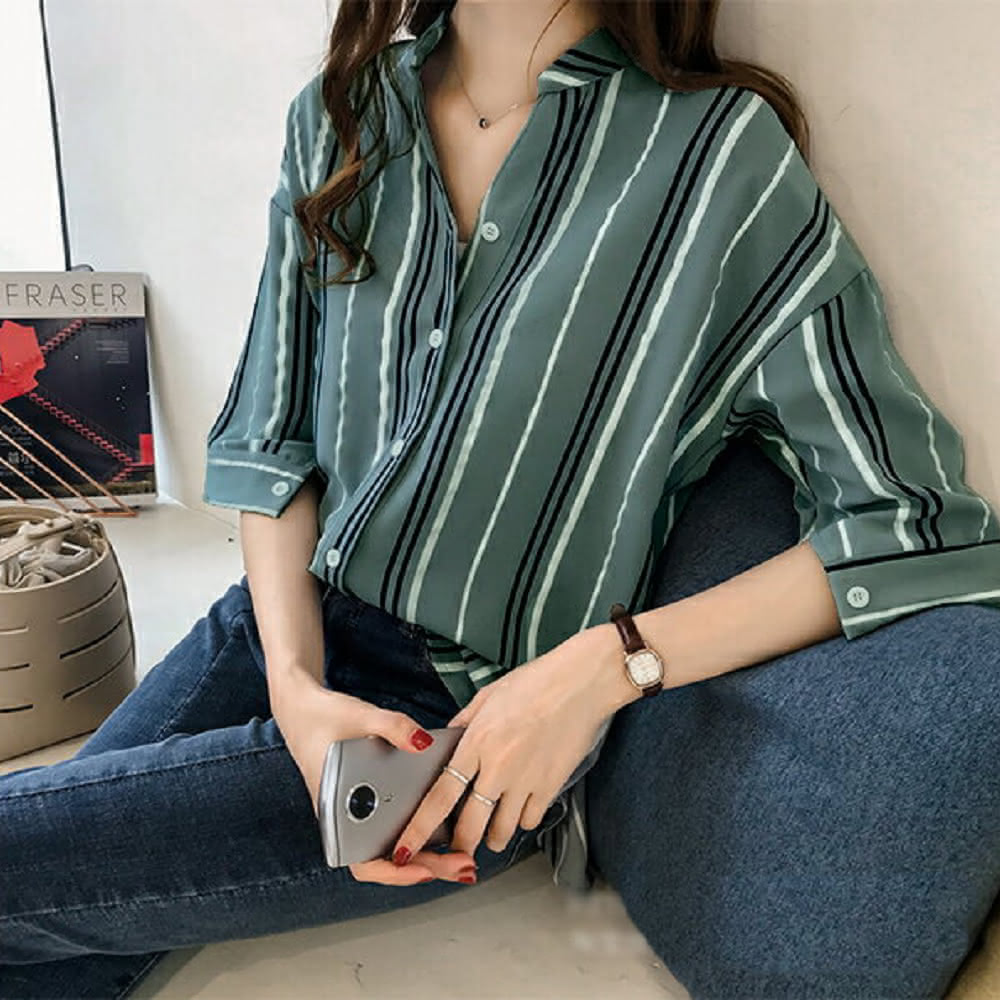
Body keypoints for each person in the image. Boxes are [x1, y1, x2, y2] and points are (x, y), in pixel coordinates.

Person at [3, 1, 999, 997]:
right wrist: (295, 686)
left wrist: (609, 666)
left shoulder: (715, 159)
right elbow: (271, 441)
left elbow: (911, 520)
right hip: (274, 628)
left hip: (456, 737)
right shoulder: (340, 117)